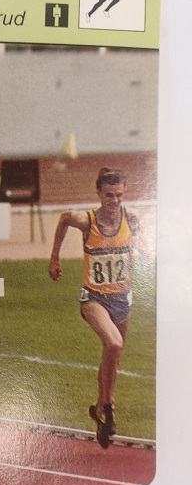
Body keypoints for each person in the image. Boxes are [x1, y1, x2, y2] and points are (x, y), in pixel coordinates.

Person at [48, 167, 145, 449]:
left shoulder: (131, 218)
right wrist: (54, 258)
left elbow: (141, 243)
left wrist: (146, 253)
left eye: (119, 195)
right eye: (109, 195)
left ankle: (101, 410)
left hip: (122, 299)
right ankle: (108, 403)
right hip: (93, 299)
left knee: (112, 356)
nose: (114, 200)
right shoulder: (87, 220)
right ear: (99, 194)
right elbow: (64, 218)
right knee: (114, 344)